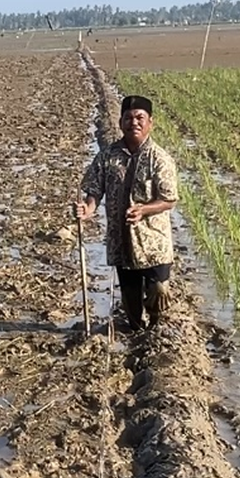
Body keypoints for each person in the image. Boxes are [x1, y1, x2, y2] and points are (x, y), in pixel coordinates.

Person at [77, 94, 180, 331]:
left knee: (159, 290)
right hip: (122, 241)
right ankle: (136, 333)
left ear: (150, 122)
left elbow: (168, 199)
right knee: (131, 301)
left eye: (140, 118)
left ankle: (155, 329)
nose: (134, 122)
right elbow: (94, 190)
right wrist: (87, 208)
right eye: (129, 118)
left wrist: (144, 210)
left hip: (154, 241)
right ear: (121, 122)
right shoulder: (107, 156)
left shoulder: (160, 158)